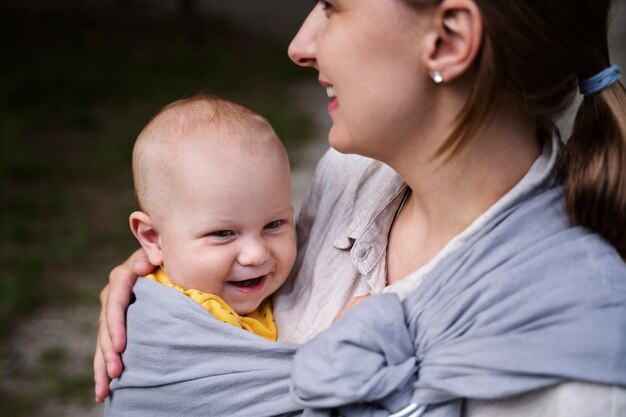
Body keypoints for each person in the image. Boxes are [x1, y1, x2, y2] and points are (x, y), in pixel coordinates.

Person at [95, 0, 626, 416]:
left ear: (447, 40)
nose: (299, 45)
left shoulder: (572, 364)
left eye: (331, 5)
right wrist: (167, 305)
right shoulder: (352, 173)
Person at [104, 94, 300, 416]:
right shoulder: (169, 325)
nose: (255, 254)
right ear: (153, 238)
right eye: (223, 234)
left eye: (274, 224)